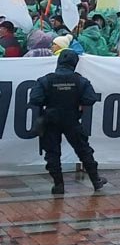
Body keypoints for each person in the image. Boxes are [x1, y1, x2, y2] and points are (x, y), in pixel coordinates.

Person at [30, 50, 106, 195]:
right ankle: (95, 181)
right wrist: (78, 102)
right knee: (83, 150)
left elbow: (35, 99)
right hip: (71, 119)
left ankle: (58, 184)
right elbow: (90, 99)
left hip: (51, 119)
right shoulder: (81, 81)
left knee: (52, 153)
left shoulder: (45, 80)